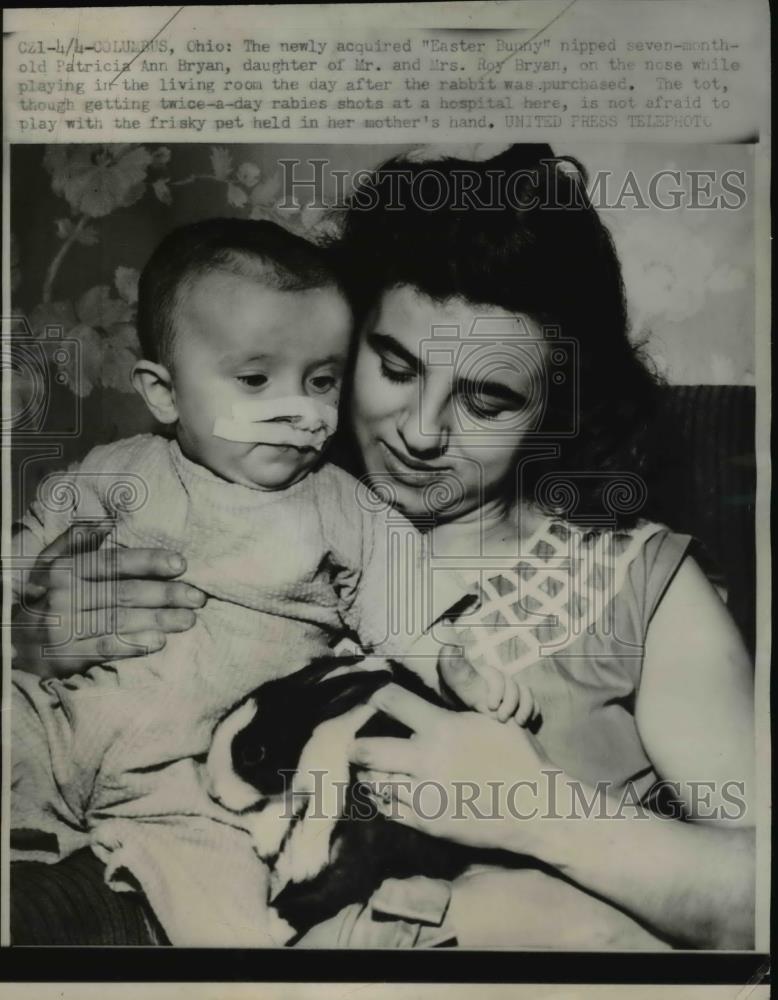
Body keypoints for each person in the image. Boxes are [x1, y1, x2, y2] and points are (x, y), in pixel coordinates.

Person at [11, 145, 755, 949]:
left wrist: (541, 813)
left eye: (488, 398)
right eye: (394, 365)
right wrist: (34, 638)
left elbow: (760, 896)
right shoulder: (227, 491)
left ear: (558, 409)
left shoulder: (640, 583)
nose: (420, 432)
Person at [9, 217, 519, 946]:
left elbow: (405, 609)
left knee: (233, 919)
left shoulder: (341, 504)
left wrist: (456, 665)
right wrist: (23, 622)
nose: (300, 411)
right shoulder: (111, 474)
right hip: (56, 718)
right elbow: (24, 580)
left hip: (189, 781)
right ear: (163, 392)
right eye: (255, 380)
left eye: (322, 381)